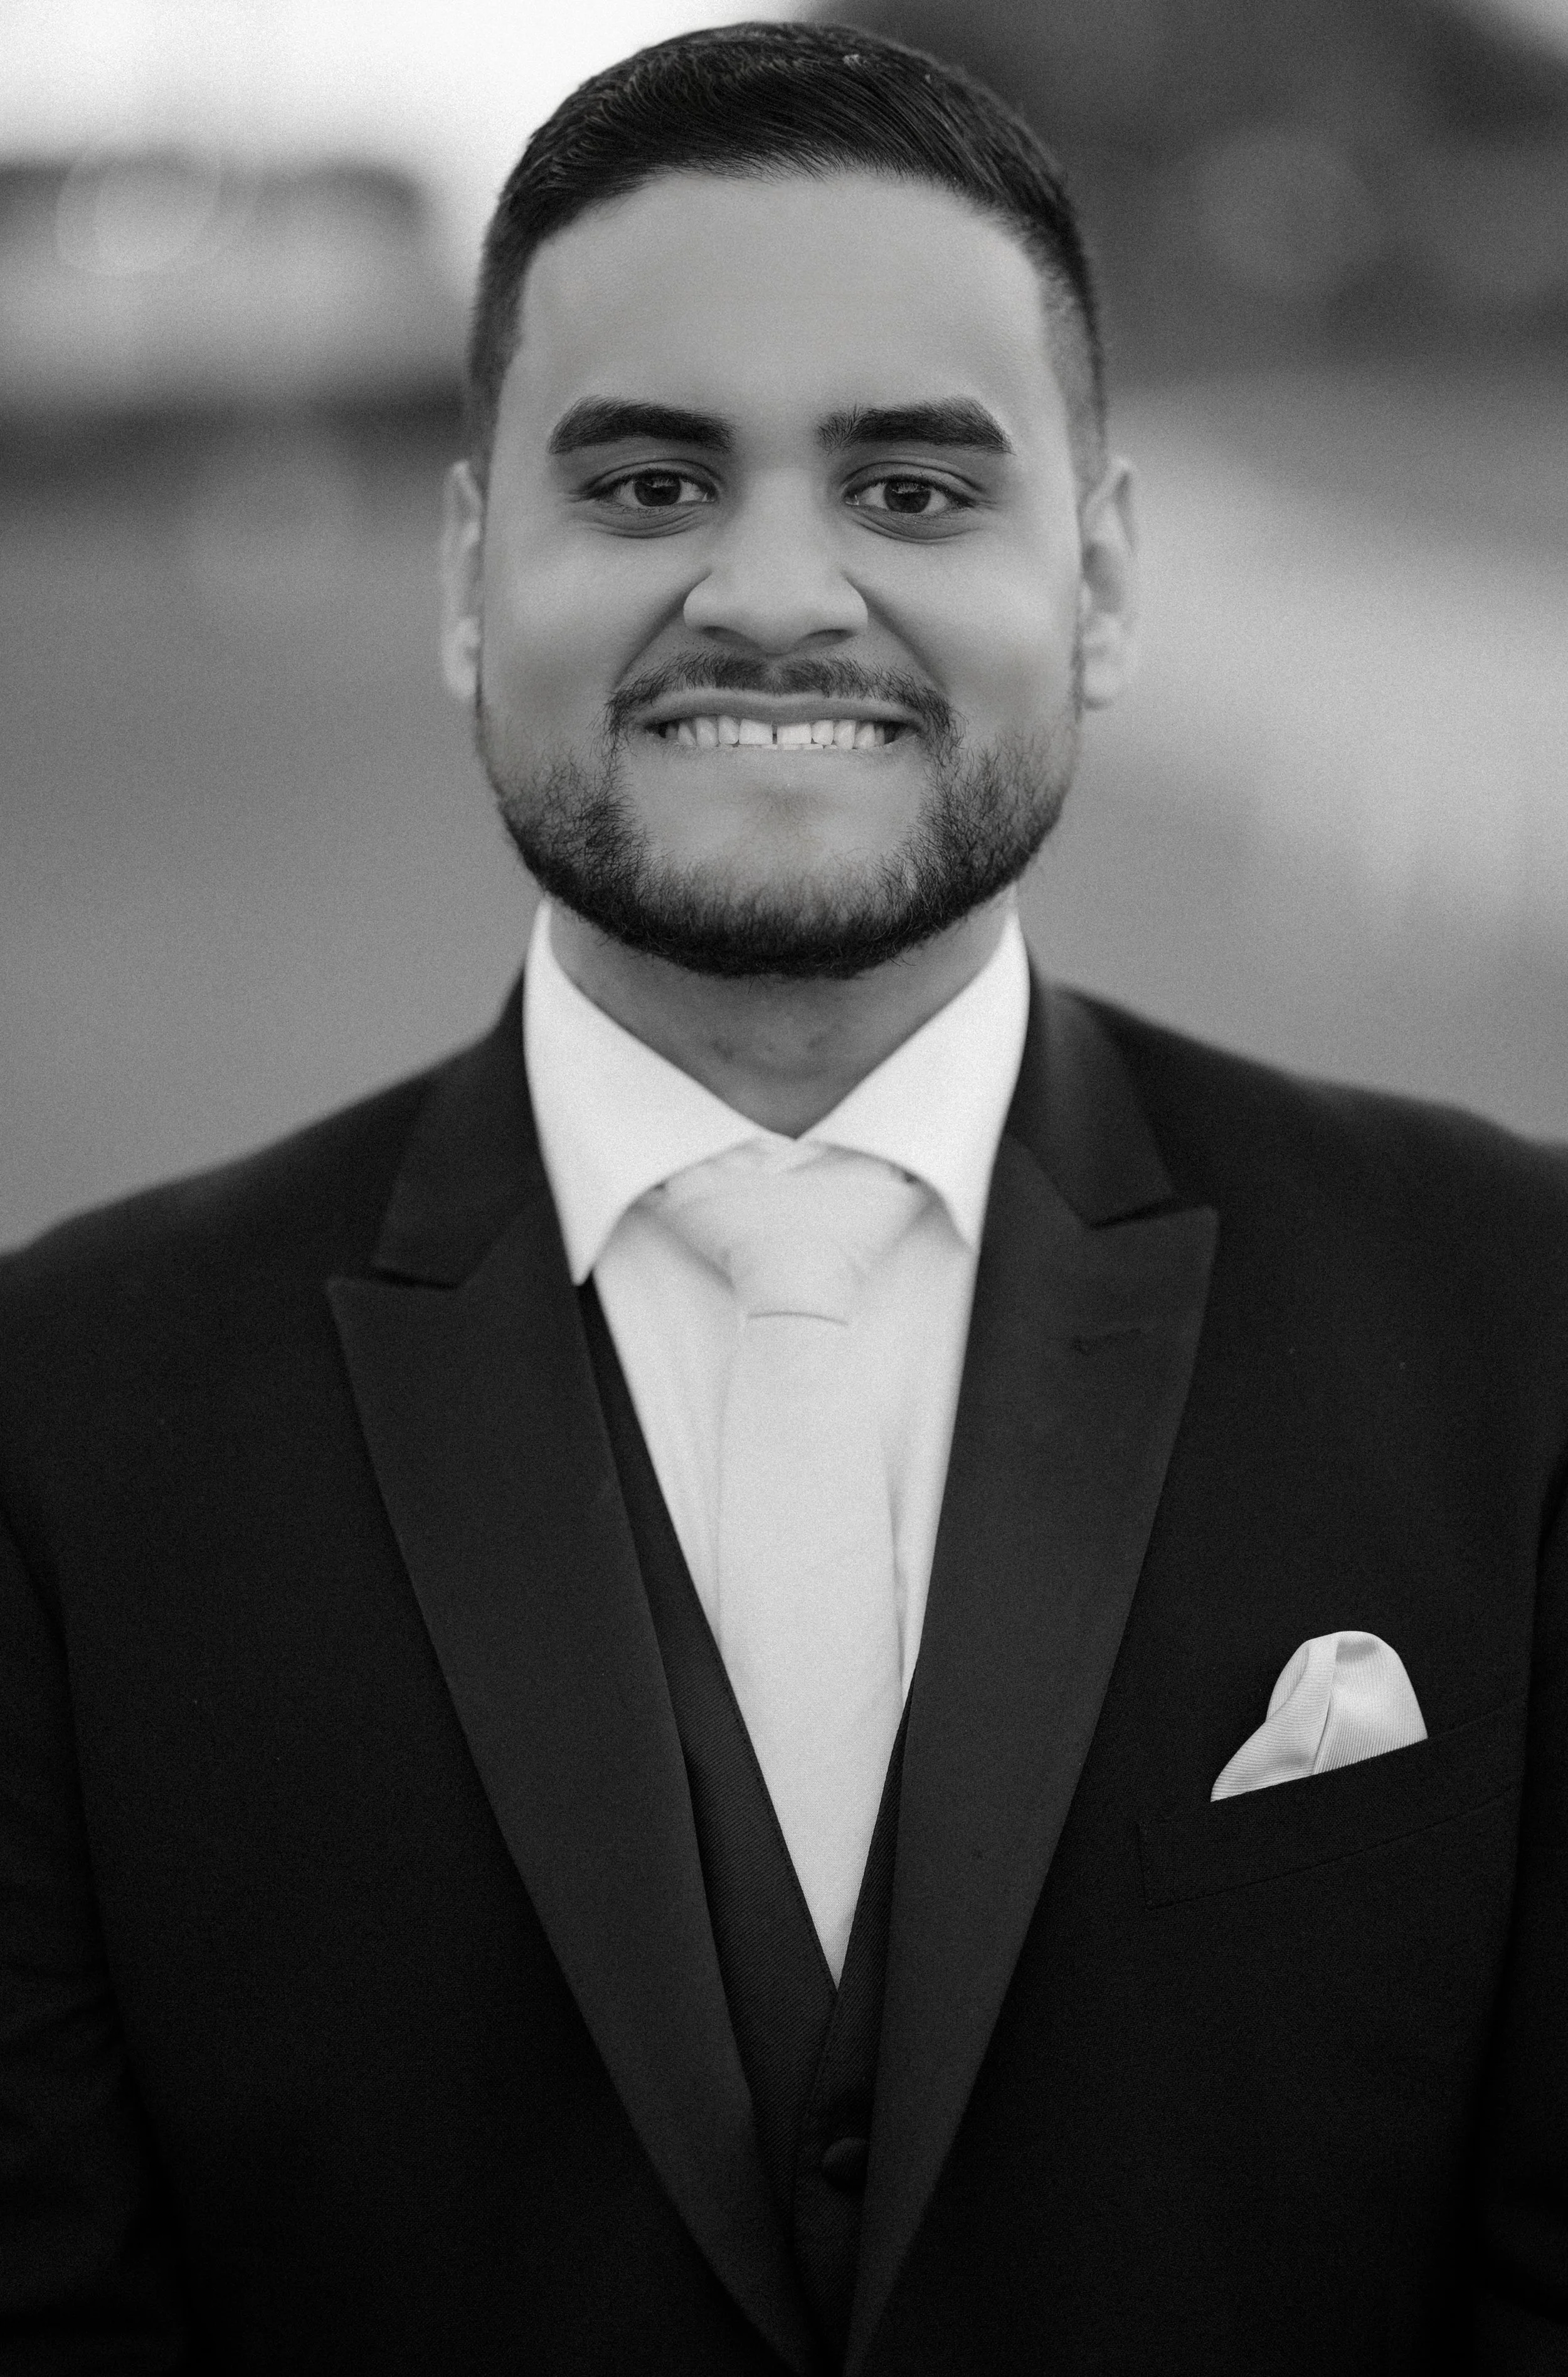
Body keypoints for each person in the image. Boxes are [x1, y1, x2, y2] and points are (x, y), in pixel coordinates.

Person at [1, 20, 1564, 2373]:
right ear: (466, 576)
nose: (773, 593)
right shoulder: (63, 1421)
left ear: (1104, 580)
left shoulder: (1513, 1323)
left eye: (917, 490)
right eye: (640, 484)